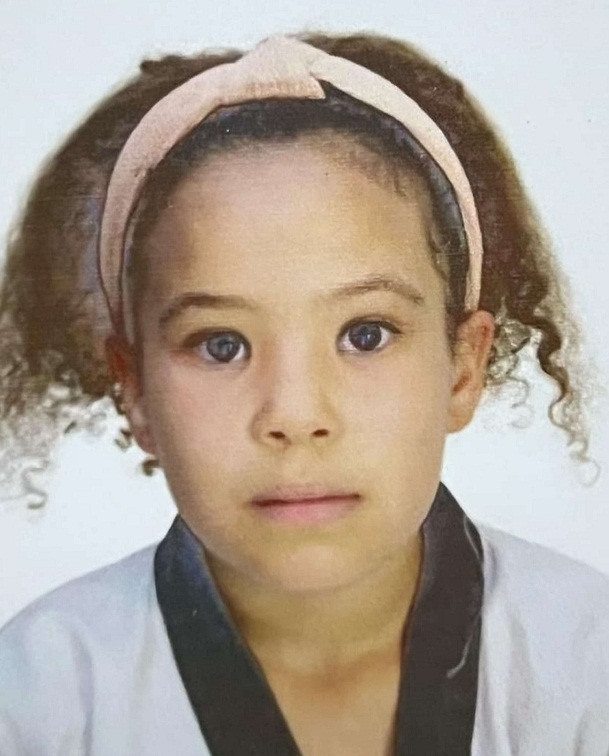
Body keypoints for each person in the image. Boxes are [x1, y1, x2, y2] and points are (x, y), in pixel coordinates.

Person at [0, 31, 607, 756]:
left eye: (365, 335)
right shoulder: (37, 698)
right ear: (135, 391)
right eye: (221, 345)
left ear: (462, 368)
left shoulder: (588, 666)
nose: (294, 414)